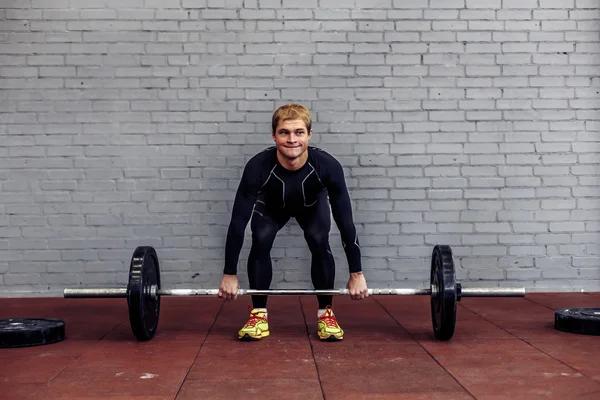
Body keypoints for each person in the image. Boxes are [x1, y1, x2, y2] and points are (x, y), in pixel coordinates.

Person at [218, 103, 368, 341]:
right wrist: (229, 273)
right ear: (273, 135)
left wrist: (356, 272)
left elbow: (345, 222)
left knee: (319, 240)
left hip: (311, 207)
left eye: (299, 132)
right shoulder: (257, 167)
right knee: (261, 237)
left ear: (309, 134)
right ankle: (258, 314)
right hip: (271, 207)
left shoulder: (328, 167)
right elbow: (238, 222)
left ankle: (325, 313)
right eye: (284, 132)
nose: (291, 139)